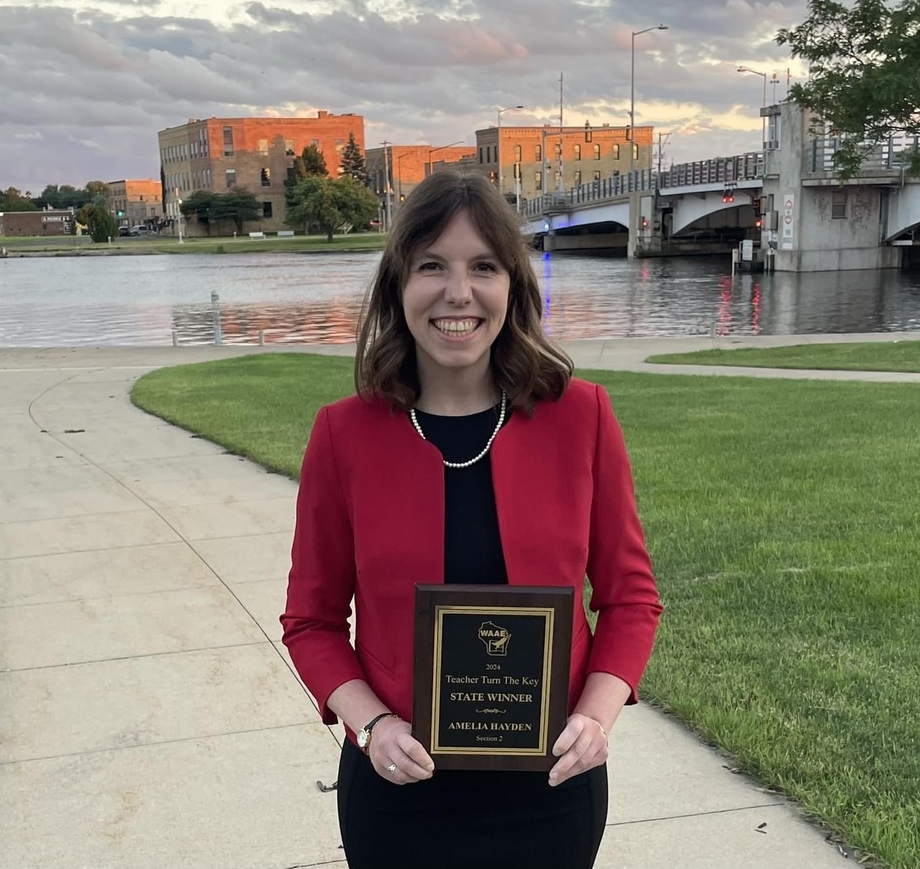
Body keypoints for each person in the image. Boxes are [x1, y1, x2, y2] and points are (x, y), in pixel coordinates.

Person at [280, 170, 662, 869]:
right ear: (399, 285)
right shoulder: (345, 434)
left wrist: (596, 718)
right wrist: (372, 724)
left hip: (552, 787)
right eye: (432, 266)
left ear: (512, 285)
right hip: (398, 789)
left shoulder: (582, 419)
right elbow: (311, 622)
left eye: (483, 266)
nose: (458, 293)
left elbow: (631, 599)